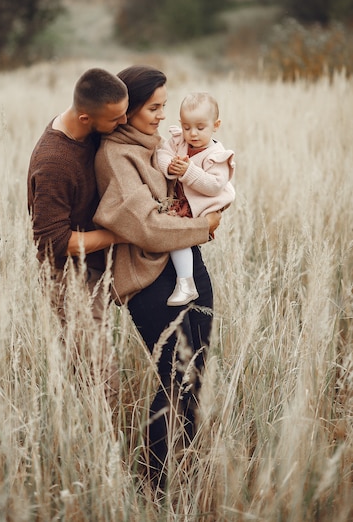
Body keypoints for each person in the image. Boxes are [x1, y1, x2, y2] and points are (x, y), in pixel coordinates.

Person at [93, 65, 222, 487]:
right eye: (154, 107)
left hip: (186, 263)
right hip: (148, 278)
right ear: (126, 109)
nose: (162, 116)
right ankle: (155, 481)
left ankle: (187, 463)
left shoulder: (157, 142)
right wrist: (204, 227)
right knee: (174, 373)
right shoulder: (116, 155)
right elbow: (145, 225)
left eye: (165, 106)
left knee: (197, 366)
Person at [27, 67, 129, 395]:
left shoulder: (89, 128)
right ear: (85, 118)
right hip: (69, 279)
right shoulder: (55, 163)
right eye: (116, 119)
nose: (123, 123)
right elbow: (54, 242)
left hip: (92, 268)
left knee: (90, 370)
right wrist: (124, 233)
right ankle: (107, 442)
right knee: (98, 377)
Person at [157, 92, 235, 307]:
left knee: (178, 236)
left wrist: (188, 171)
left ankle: (186, 283)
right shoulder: (179, 141)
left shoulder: (216, 154)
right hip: (180, 203)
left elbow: (214, 186)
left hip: (200, 206)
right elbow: (162, 154)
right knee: (176, 235)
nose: (192, 134)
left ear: (215, 125)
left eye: (200, 128)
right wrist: (170, 165)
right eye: (186, 127)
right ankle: (185, 281)